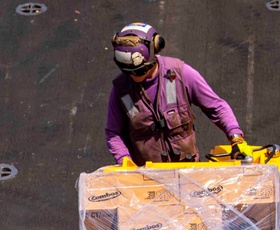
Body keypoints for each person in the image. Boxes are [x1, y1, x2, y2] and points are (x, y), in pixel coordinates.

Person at [105, 22, 246, 166]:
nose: (133, 76)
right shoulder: (121, 91)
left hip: (188, 172)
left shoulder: (181, 74)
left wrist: (235, 136)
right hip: (148, 178)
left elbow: (217, 107)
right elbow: (113, 132)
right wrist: (124, 161)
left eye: (139, 70)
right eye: (127, 72)